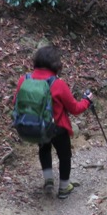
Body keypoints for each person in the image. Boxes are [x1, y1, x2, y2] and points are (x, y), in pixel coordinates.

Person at [13, 46, 93, 199]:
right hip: (58, 128)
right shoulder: (58, 84)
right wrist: (87, 101)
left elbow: (16, 102)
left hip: (37, 125)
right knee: (64, 155)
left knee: (44, 149)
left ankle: (48, 180)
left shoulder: (24, 80)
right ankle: (63, 188)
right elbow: (75, 108)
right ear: (56, 64)